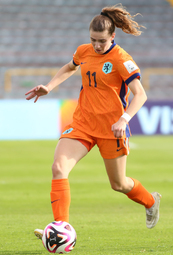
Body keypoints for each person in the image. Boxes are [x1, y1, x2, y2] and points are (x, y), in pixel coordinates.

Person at [25, 4, 161, 239]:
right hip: (83, 124)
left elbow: (141, 94)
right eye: (93, 40)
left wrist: (124, 119)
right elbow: (69, 67)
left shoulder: (121, 58)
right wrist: (49, 86)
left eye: (102, 41)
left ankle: (151, 201)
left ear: (113, 37)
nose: (97, 45)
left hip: (112, 129)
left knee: (119, 184)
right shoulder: (84, 51)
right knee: (58, 168)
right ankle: (61, 228)